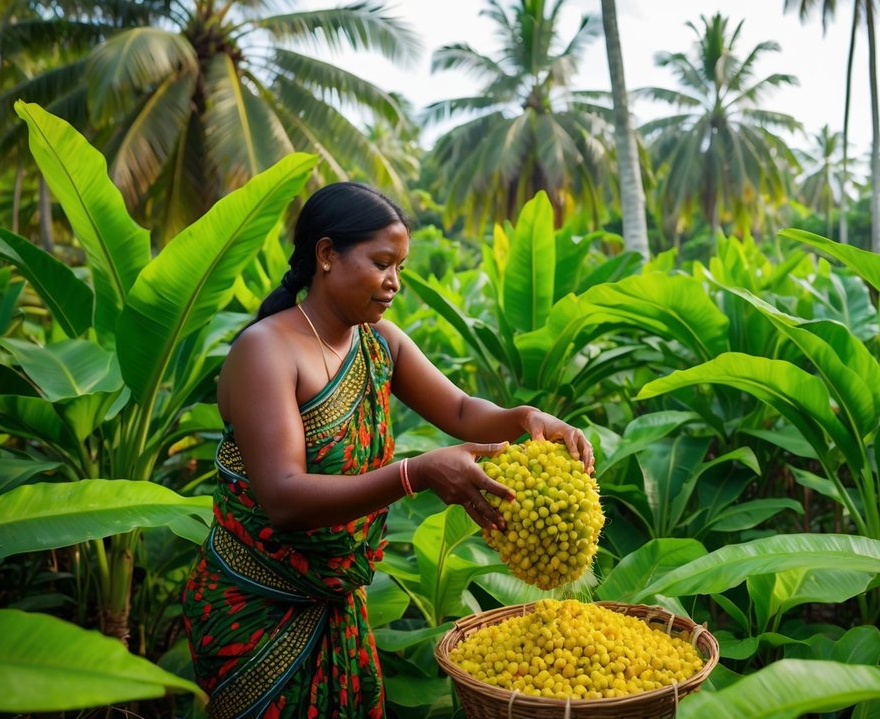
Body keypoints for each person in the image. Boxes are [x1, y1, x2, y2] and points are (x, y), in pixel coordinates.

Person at [181, 182, 592, 719]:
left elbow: (463, 411)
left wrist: (525, 419)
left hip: (336, 602)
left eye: (399, 267)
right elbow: (283, 497)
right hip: (257, 609)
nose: (394, 283)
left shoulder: (380, 343)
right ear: (327, 255)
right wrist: (414, 474)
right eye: (381, 263)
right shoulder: (266, 351)